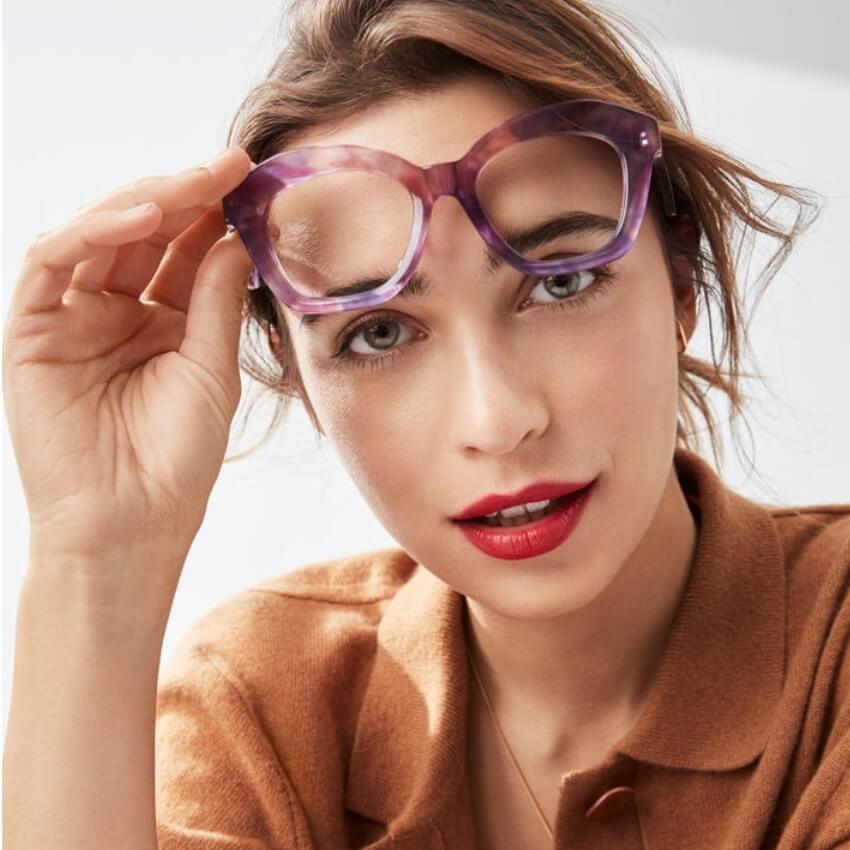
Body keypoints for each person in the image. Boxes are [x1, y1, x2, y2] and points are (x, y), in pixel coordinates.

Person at [3, 0, 848, 848]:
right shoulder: (262, 708)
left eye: (559, 282)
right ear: (298, 377)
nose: (499, 420)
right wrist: (95, 563)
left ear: (680, 283)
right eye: (378, 332)